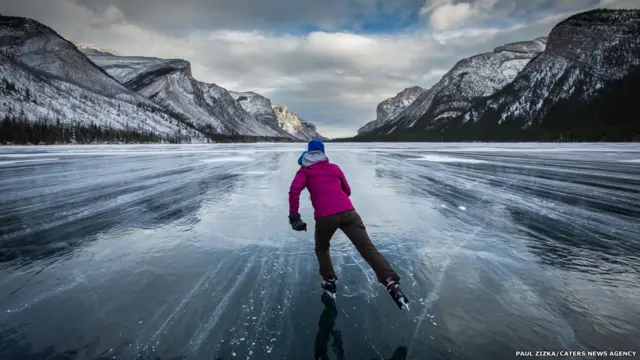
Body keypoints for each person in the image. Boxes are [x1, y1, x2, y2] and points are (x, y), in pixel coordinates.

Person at [288, 140, 409, 310]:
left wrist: (294, 216)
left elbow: (294, 191)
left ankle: (329, 280)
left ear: (308, 153)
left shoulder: (305, 171)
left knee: (322, 247)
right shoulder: (334, 168)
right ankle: (390, 281)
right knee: (367, 247)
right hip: (349, 213)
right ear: (323, 153)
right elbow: (348, 191)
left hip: (325, 217)